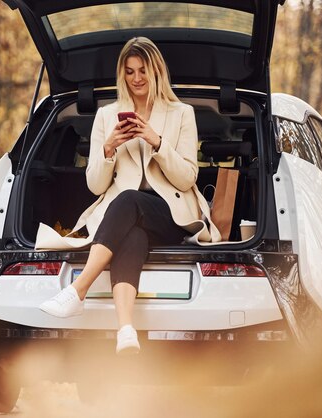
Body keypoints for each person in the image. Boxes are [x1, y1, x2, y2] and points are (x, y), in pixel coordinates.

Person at [35, 37, 220, 355]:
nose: (136, 78)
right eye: (130, 71)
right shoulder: (107, 116)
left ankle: (78, 290)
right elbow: (95, 185)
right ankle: (125, 330)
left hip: (171, 215)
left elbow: (188, 177)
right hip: (122, 220)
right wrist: (108, 149)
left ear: (157, 71)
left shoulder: (181, 114)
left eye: (143, 71)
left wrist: (157, 141)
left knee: (129, 200)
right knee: (132, 235)